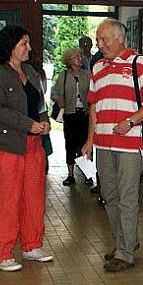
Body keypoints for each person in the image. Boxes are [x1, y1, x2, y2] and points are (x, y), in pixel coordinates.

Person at [82, 18, 143, 272]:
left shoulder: (139, 63)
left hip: (130, 145)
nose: (99, 44)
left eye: (103, 39)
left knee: (127, 198)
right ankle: (125, 242)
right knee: (109, 197)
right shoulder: (97, 68)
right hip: (104, 144)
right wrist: (90, 140)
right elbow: (94, 106)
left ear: (119, 38)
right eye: (98, 39)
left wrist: (131, 121)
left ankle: (125, 252)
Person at [0, 25, 53, 272]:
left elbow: (39, 103)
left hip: (33, 145)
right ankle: (1, 253)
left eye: (29, 43)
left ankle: (32, 245)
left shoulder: (31, 73)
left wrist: (44, 123)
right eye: (24, 43)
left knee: (34, 197)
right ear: (10, 45)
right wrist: (28, 124)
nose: (29, 47)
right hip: (6, 146)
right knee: (6, 199)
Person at [52, 48, 91, 186]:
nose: (80, 59)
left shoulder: (87, 75)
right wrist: (58, 100)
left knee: (85, 144)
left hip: (84, 114)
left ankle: (88, 174)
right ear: (69, 61)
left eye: (80, 56)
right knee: (70, 144)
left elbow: (93, 93)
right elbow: (54, 92)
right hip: (69, 114)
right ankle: (70, 175)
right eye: (76, 57)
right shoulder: (63, 76)